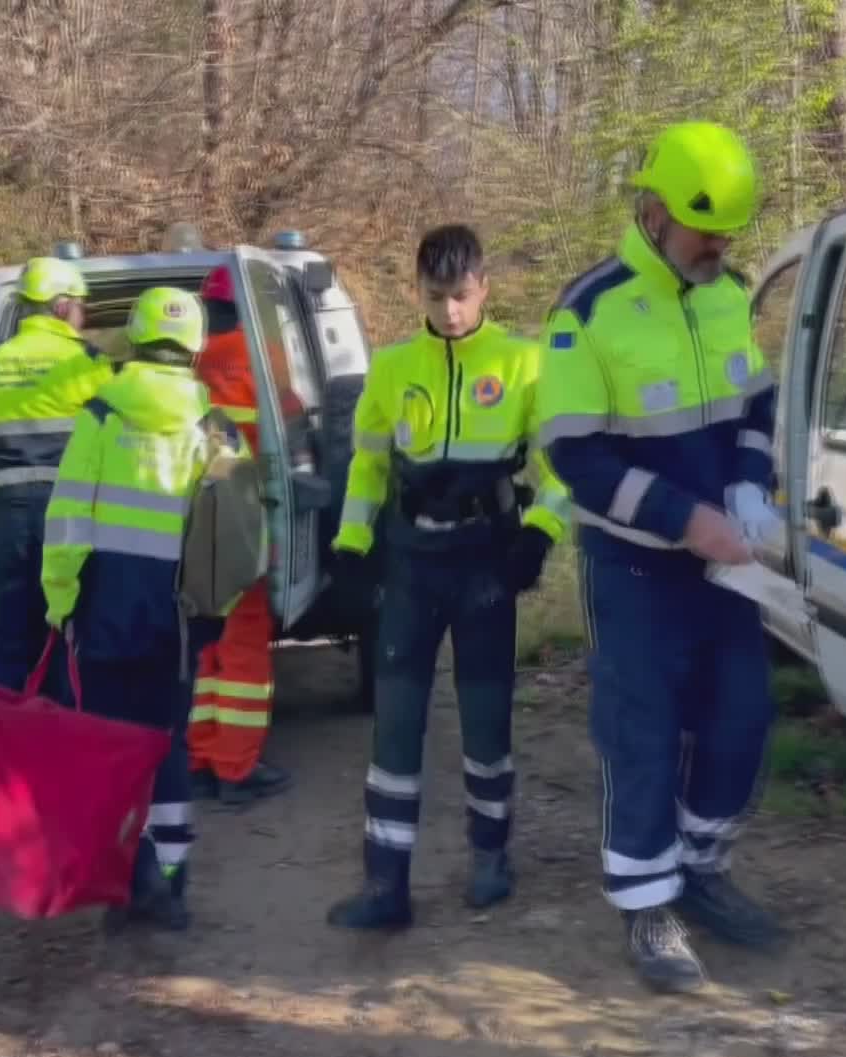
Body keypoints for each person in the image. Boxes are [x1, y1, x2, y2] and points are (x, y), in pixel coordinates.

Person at [533, 120, 783, 993]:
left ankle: (702, 869)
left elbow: (757, 404)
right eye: (705, 229)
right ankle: (649, 905)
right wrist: (683, 518)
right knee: (640, 738)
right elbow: (575, 453)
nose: (719, 246)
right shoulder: (588, 309)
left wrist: (752, 482)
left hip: (728, 564)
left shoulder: (727, 290)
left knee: (741, 719)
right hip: (637, 566)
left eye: (727, 234)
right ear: (652, 212)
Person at [325, 224, 570, 931]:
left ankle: (490, 857)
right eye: (438, 297)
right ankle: (385, 885)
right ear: (418, 293)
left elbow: (558, 472)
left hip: (488, 566)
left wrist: (541, 533)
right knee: (394, 725)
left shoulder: (525, 364)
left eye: (462, 296)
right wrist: (350, 539)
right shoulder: (393, 368)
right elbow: (368, 464)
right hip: (410, 565)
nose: (452, 312)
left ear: (484, 286)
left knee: (486, 720)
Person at [42, 286, 237, 932]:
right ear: (195, 344)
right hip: (176, 614)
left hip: (103, 604)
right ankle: (171, 890)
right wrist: (217, 609)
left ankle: (129, 881)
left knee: (109, 749)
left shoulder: (100, 415)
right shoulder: (216, 425)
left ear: (136, 335)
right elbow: (231, 533)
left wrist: (60, 600)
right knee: (168, 746)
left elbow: (67, 514)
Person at [0, 256, 113, 690]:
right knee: (66, 622)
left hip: (7, 512)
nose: (83, 316)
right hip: (66, 510)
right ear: (61, 305)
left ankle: (3, 725)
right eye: (80, 306)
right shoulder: (85, 361)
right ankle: (61, 724)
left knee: (8, 629)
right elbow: (111, 429)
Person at [186, 265, 292, 807]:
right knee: (246, 644)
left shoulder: (189, 364)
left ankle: (199, 758)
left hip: (191, 524)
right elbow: (292, 423)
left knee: (204, 644)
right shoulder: (261, 360)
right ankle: (236, 768)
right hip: (244, 515)